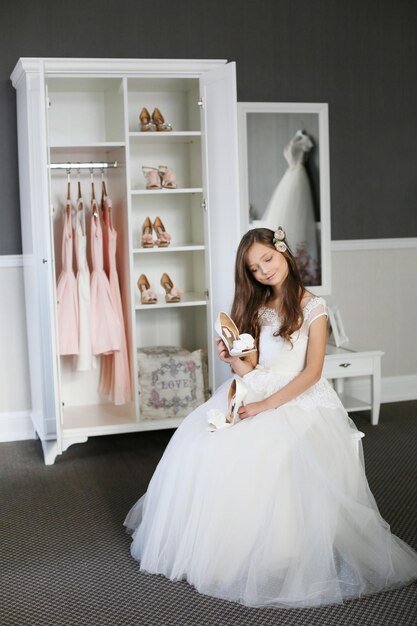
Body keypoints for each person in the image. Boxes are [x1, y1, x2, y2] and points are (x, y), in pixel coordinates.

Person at [125, 227, 417, 608]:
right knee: (201, 442)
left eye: (268, 259)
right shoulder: (259, 307)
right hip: (259, 386)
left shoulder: (314, 306)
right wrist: (234, 358)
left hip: (299, 398)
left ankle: (278, 548)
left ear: (284, 254)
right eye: (254, 268)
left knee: (261, 451)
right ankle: (219, 545)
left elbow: (312, 373)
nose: (264, 271)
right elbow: (255, 367)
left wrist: (265, 406)